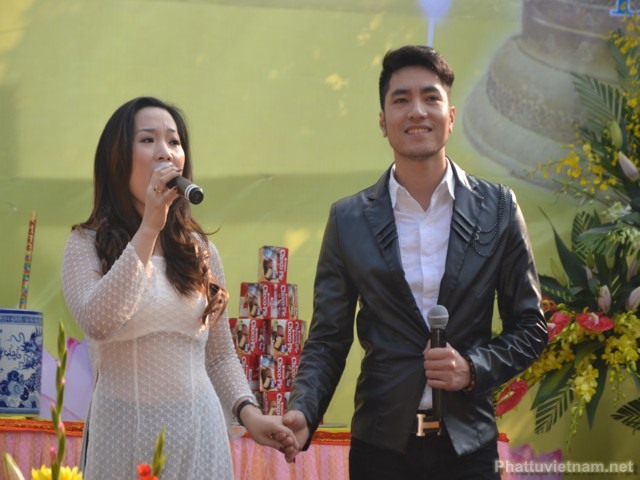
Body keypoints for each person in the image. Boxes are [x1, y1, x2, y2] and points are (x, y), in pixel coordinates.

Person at [280, 46, 548, 479]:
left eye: (430, 97)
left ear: (451, 116)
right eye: (401, 99)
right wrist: (304, 409)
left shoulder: (498, 209)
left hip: (470, 447)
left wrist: (472, 368)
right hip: (381, 448)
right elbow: (328, 339)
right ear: (383, 122)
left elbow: (531, 327)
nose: (417, 111)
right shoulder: (348, 219)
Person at [61, 96, 297, 479]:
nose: (165, 152)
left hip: (199, 435)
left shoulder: (200, 251)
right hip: (121, 434)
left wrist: (250, 414)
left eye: (174, 141)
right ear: (116, 158)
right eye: (148, 139)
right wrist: (149, 228)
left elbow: (219, 355)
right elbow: (98, 321)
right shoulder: (85, 244)